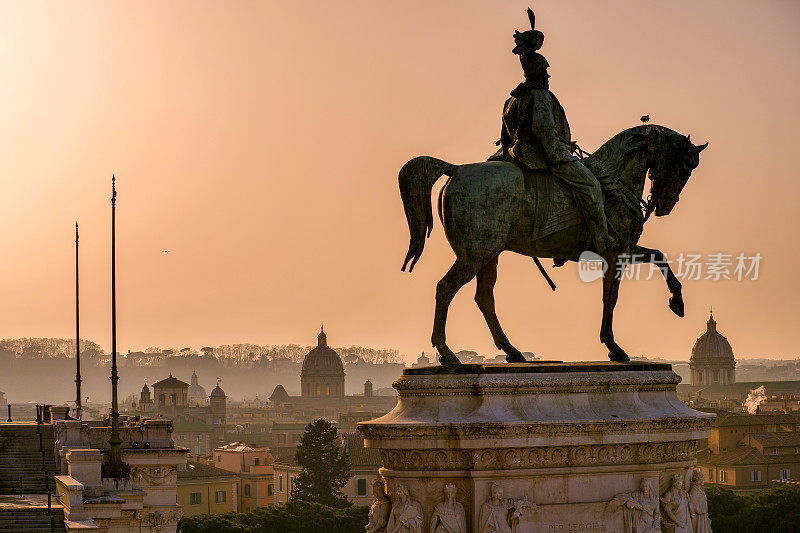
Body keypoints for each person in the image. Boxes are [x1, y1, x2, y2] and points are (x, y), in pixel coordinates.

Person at [491, 9, 614, 253]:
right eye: (545, 72)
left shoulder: (514, 98)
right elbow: (544, 131)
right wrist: (562, 154)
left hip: (514, 154)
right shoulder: (541, 96)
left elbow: (505, 135)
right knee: (591, 186)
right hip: (543, 156)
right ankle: (602, 241)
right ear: (539, 72)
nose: (548, 76)